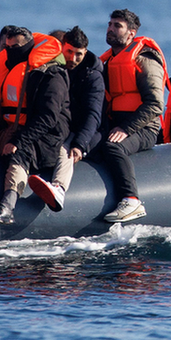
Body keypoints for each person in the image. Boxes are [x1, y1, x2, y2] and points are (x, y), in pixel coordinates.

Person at [0, 27, 69, 224]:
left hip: (48, 135)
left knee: (19, 152)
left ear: (29, 46)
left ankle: (7, 206)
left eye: (16, 47)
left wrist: (18, 140)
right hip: (16, 128)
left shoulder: (51, 74)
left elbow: (48, 117)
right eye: (7, 47)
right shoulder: (8, 66)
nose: (11, 51)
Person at [92, 9, 166, 223]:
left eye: (118, 26)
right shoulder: (110, 61)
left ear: (131, 33)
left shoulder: (144, 60)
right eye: (110, 24)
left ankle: (131, 200)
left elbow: (155, 104)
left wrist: (125, 129)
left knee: (113, 146)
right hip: (117, 124)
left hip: (144, 128)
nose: (111, 29)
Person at [29, 27, 104, 211]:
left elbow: (93, 115)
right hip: (62, 125)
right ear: (62, 47)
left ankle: (59, 188)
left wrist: (81, 143)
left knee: (66, 148)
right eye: (69, 52)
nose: (73, 58)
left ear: (85, 52)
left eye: (78, 54)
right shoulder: (55, 69)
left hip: (86, 131)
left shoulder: (93, 77)